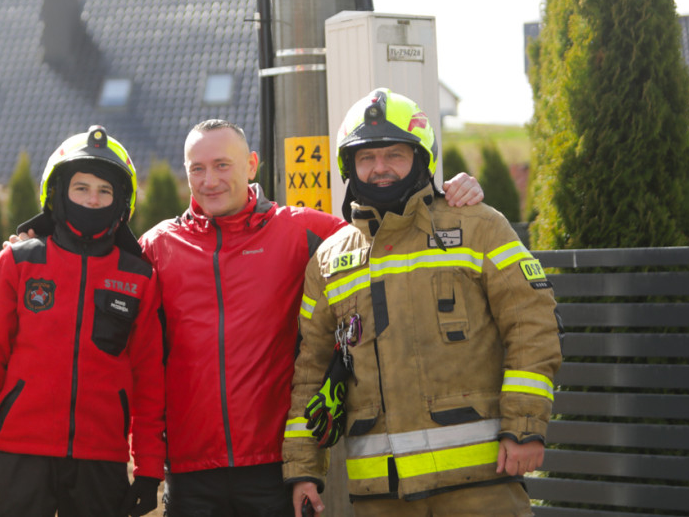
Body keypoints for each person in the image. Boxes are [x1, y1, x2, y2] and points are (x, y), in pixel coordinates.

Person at [138, 118, 484, 516]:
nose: (209, 180)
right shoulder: (159, 246)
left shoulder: (302, 231)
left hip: (275, 467)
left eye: (221, 165)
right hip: (189, 471)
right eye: (196, 168)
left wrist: (447, 197)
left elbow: (390, 228)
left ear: (251, 165)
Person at [283, 89, 562, 516]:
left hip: (482, 484)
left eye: (395, 154)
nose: (380, 169)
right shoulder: (328, 260)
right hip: (383, 496)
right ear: (349, 167)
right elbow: (310, 371)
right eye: (366, 158)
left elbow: (532, 326)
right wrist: (305, 468)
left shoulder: (478, 225)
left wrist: (525, 428)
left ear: (421, 158)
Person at [0, 126, 164, 517]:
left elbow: (150, 378)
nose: (93, 199)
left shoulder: (140, 277)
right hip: (20, 452)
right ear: (57, 194)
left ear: (122, 201)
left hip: (102, 459)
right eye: (81, 188)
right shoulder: (18, 262)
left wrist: (150, 468)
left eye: (105, 191)